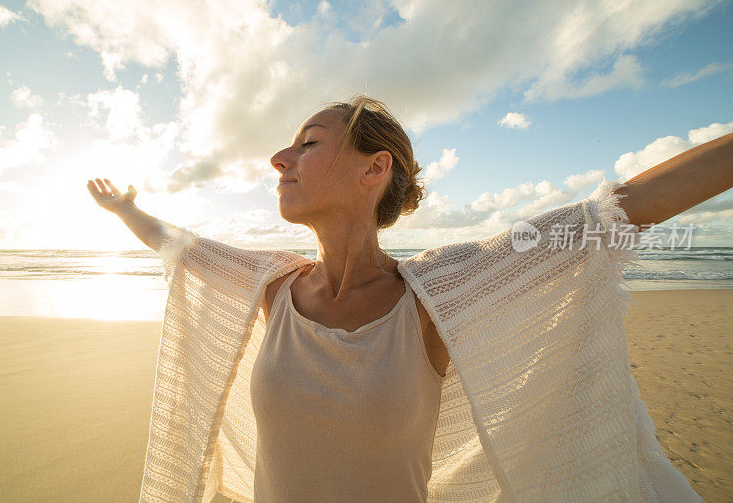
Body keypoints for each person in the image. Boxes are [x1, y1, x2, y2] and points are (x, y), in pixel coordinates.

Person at [88, 95, 732, 502]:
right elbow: (184, 250)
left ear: (376, 169)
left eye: (308, 142)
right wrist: (128, 214)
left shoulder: (431, 298)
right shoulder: (271, 288)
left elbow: (607, 217)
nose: (280, 157)